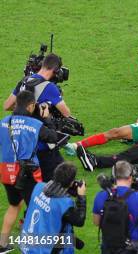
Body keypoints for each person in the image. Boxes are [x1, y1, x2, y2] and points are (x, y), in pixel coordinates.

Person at [0, 90, 59, 252]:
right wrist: (47, 118)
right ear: (31, 105)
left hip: (6, 171)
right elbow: (53, 137)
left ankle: (2, 244)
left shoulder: (4, 122)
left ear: (16, 104)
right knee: (37, 208)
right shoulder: (35, 125)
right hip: (28, 173)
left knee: (14, 205)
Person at [4, 54, 73, 182]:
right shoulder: (50, 87)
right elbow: (66, 113)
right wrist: (48, 105)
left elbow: (7, 106)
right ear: (55, 71)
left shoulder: (24, 81)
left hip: (23, 143)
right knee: (62, 180)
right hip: (42, 144)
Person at [19, 162, 86, 254]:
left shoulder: (38, 187)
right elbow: (79, 221)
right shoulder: (64, 204)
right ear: (71, 182)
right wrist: (81, 197)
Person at [93, 161, 138, 253]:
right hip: (131, 249)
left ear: (113, 176)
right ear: (131, 177)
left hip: (108, 248)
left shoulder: (100, 196)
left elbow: (97, 222)